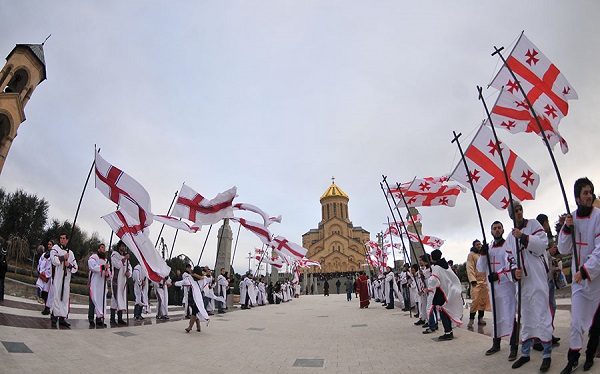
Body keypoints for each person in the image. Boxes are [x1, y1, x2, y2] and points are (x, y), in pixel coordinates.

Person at [558, 178, 600, 373]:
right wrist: (566, 228)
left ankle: (590, 356)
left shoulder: (598, 216)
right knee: (575, 322)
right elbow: (563, 248)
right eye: (585, 193)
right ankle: (573, 358)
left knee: (596, 324)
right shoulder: (571, 218)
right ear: (577, 198)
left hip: (596, 280)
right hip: (578, 281)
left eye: (591, 192)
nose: (589, 195)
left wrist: (585, 271)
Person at [506, 201, 552, 372]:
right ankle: (525, 354)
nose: (519, 212)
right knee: (525, 317)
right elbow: (509, 258)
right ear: (511, 215)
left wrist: (524, 237)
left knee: (542, 314)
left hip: (537, 278)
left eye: (520, 209)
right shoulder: (510, 238)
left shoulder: (533, 224)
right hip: (523, 283)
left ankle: (547, 354)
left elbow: (542, 244)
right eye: (515, 211)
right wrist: (513, 272)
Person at [477, 221, 519, 359]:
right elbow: (480, 268)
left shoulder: (508, 246)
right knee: (496, 317)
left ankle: (513, 347)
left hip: (506, 288)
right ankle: (496, 343)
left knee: (510, 316)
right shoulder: (488, 249)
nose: (497, 230)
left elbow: (512, 265)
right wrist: (483, 254)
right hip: (493, 289)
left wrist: (499, 275)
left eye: (499, 228)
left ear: (502, 230)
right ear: (491, 231)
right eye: (494, 228)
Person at [429, 249, 463, 340]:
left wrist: (430, 279)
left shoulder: (436, 267)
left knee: (443, 311)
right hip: (449, 290)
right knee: (447, 311)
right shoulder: (446, 265)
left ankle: (447, 332)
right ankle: (449, 331)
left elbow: (434, 281)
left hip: (442, 291)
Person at [48, 233, 78, 328]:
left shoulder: (71, 253)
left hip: (66, 280)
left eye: (64, 238)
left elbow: (75, 267)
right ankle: (54, 319)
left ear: (67, 240)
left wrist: (68, 265)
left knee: (64, 298)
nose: (62, 240)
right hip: (57, 278)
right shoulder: (56, 248)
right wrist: (62, 258)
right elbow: (53, 260)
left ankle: (62, 319)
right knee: (56, 297)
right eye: (60, 238)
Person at [467, 239, 491, 328]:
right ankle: (471, 319)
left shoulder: (483, 255)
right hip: (476, 281)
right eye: (477, 244)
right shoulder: (471, 255)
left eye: (480, 244)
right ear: (474, 246)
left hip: (484, 281)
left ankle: (481, 318)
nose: (479, 246)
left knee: (483, 301)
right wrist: (472, 279)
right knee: (475, 300)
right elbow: (469, 267)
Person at [88, 243, 111, 328]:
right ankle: (91, 318)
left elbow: (109, 273)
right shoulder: (94, 257)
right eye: (102, 247)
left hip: (102, 284)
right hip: (94, 282)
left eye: (104, 248)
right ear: (98, 249)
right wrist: (102, 267)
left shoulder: (106, 260)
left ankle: (99, 318)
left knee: (101, 301)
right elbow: (92, 266)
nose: (103, 249)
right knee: (93, 300)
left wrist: (108, 274)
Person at [110, 240, 131, 325]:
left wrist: (129, 273)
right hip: (116, 280)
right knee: (115, 298)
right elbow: (117, 265)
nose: (123, 248)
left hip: (123, 282)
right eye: (122, 246)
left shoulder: (125, 257)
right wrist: (124, 259)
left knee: (121, 298)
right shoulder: (115, 254)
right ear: (119, 246)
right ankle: (112, 318)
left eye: (124, 246)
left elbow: (129, 268)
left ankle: (120, 318)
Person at [36, 241, 53, 314]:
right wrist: (41, 271)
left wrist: (46, 273)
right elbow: (40, 263)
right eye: (48, 244)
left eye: (50, 244)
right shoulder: (44, 254)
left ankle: (47, 308)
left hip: (48, 278)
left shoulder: (53, 256)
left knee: (47, 293)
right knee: (44, 292)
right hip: (43, 275)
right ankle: (46, 308)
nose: (49, 246)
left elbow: (51, 267)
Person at [0, 238, 7, 302]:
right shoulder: (5, 259)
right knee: (2, 285)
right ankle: (1, 297)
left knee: (1, 285)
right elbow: (6, 268)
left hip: (1, 274)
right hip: (3, 275)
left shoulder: (1, 258)